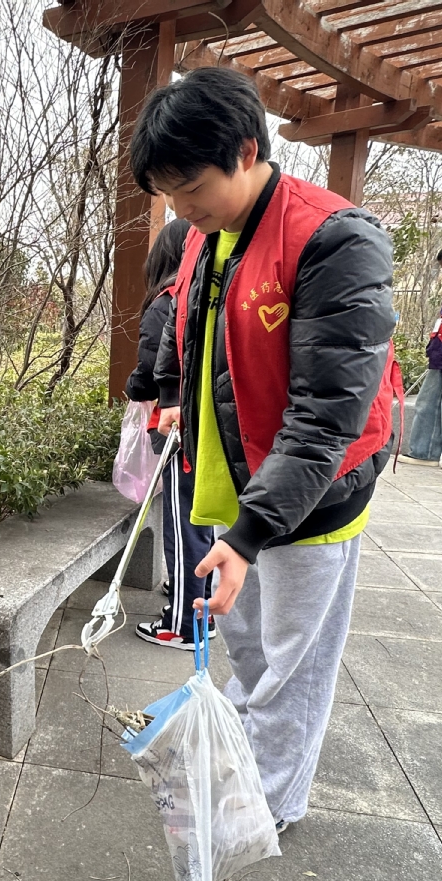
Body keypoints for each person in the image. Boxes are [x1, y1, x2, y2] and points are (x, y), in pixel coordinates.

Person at [130, 67, 401, 833]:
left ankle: (269, 807)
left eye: (190, 187)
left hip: (310, 495)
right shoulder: (203, 234)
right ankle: (243, 769)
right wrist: (172, 394)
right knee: (247, 652)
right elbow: (188, 329)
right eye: (168, 194)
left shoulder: (334, 238)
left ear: (246, 150)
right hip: (229, 481)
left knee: (292, 666)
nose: (180, 209)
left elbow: (327, 414)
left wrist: (250, 533)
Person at [125, 217, 216, 649]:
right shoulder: (208, 295)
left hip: (178, 430)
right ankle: (195, 597)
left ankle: (184, 623)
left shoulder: (168, 302)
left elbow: (147, 375)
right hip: (207, 427)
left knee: (182, 525)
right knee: (201, 521)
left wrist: (133, 387)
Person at [398, 251, 442, 467]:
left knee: (428, 404)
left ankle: (424, 451)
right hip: (438, 357)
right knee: (429, 403)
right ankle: (425, 450)